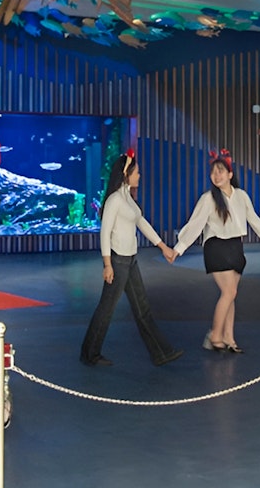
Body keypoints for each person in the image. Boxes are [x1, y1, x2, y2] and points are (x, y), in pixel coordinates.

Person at [172, 148, 260, 352]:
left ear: (230, 174)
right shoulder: (208, 198)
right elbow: (195, 224)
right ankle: (215, 336)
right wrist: (178, 249)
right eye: (214, 172)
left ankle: (228, 338)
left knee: (231, 294)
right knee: (229, 292)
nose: (217, 175)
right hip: (216, 246)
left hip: (235, 247)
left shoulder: (241, 196)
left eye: (221, 171)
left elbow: (254, 219)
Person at [79, 152, 184, 367]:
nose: (140, 175)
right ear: (126, 174)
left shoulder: (128, 198)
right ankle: (89, 354)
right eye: (137, 172)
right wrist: (107, 264)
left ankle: (161, 352)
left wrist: (163, 246)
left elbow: (142, 223)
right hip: (118, 262)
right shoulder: (115, 200)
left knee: (141, 308)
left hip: (131, 261)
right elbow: (105, 232)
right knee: (106, 309)